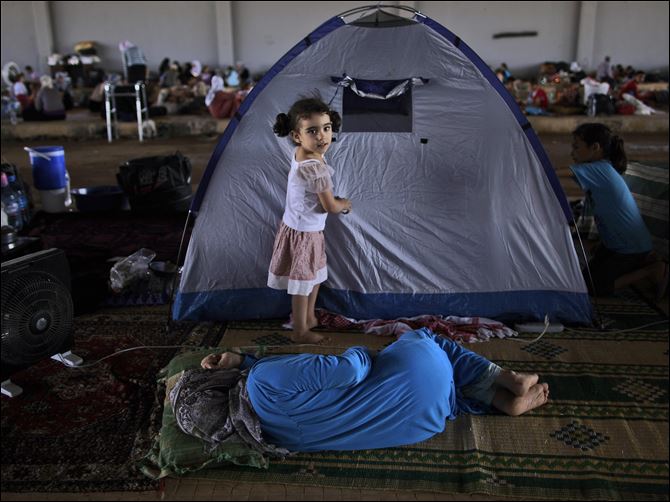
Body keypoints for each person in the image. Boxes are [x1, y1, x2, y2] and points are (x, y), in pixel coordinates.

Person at [186, 328, 550, 453]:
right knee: (425, 339)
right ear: (214, 386)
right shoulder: (260, 380)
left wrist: (242, 362)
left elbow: (283, 394)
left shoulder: (264, 438)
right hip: (419, 376)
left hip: (427, 421)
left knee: (435, 382)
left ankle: (501, 399)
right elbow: (350, 371)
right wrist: (362, 351)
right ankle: (508, 378)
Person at [268, 96, 352, 344]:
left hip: (300, 227)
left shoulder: (302, 153)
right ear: (297, 136)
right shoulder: (315, 167)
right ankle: (300, 329)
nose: (322, 136)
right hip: (304, 232)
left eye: (326, 128)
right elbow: (330, 206)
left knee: (313, 276)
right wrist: (344, 204)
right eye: (312, 131)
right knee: (303, 283)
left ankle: (309, 317)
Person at [569, 123, 668, 298]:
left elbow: (554, 173)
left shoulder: (598, 169)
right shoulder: (601, 168)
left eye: (576, 147)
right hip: (615, 245)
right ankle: (642, 264)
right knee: (583, 281)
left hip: (630, 248)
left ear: (595, 147)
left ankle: (651, 270)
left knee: (593, 288)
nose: (572, 153)